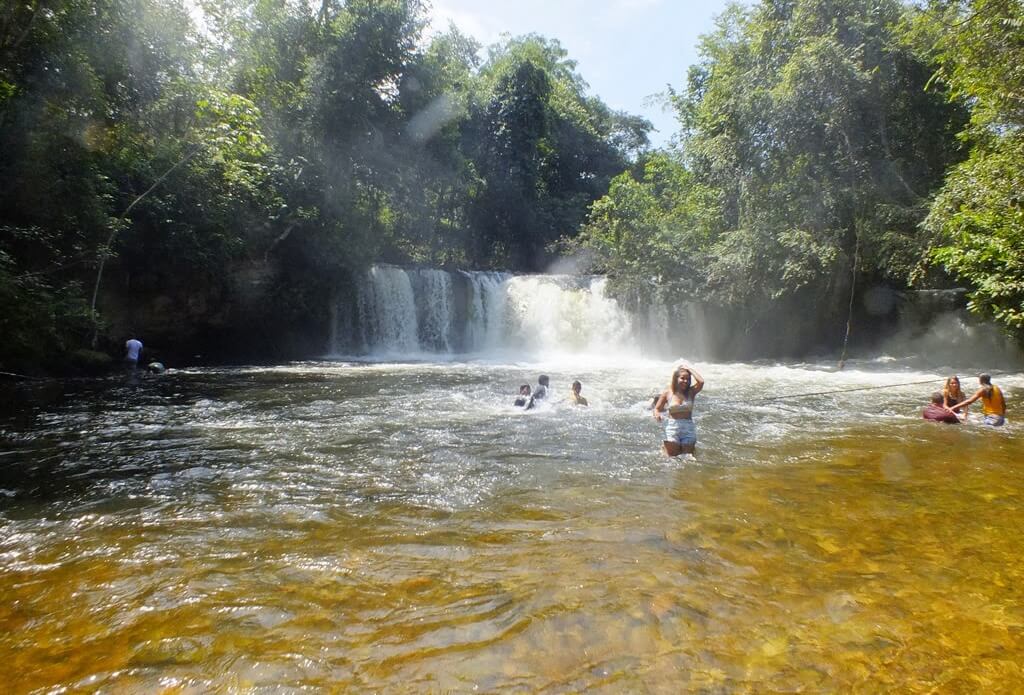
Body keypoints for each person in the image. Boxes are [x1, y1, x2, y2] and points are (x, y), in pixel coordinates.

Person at [653, 361, 704, 457]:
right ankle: (665, 449)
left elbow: (701, 382)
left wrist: (689, 369)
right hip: (673, 426)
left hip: (688, 427)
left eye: (688, 379)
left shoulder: (691, 392)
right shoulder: (667, 393)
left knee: (688, 457)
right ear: (676, 379)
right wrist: (657, 414)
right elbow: (657, 408)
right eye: (682, 378)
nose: (686, 381)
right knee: (672, 457)